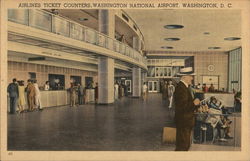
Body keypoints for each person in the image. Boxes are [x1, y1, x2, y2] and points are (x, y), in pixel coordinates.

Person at [174, 67, 200, 151]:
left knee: (184, 145)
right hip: (184, 122)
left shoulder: (183, 87)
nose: (192, 78)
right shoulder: (181, 89)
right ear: (184, 77)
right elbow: (183, 107)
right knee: (183, 146)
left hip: (184, 122)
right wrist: (194, 103)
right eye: (190, 76)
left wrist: (195, 105)